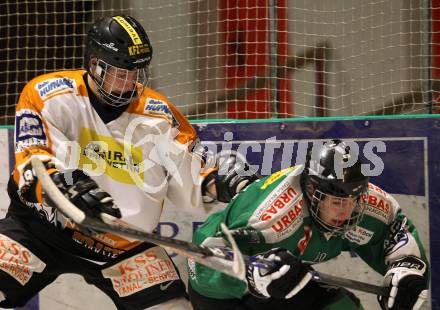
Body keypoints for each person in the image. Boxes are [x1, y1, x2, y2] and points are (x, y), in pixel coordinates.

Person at [0, 15, 257, 309]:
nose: (128, 82)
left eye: (134, 73)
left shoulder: (159, 115)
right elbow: (31, 164)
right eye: (119, 72)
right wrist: (64, 186)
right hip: (39, 231)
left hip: (123, 245)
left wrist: (220, 180)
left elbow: (196, 174)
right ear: (95, 64)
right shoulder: (48, 94)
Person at [188, 140, 429, 310]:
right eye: (336, 202)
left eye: (353, 200)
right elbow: (202, 259)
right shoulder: (268, 215)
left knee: (341, 307)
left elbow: (396, 233)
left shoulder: (365, 205)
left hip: (284, 285)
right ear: (312, 190)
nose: (347, 211)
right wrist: (250, 273)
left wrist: (406, 272)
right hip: (222, 297)